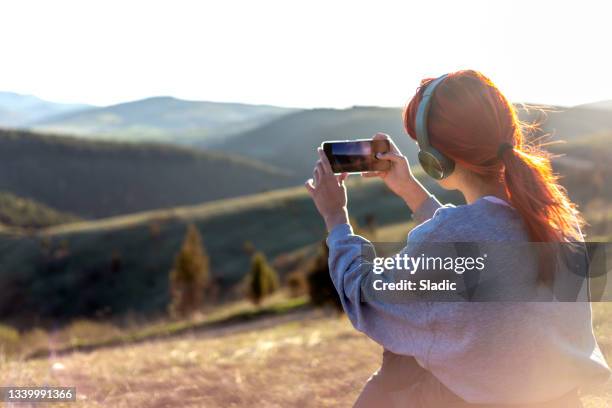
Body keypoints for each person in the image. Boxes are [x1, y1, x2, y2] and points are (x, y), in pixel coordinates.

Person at [304, 70, 610, 407]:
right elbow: (482, 251)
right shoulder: (555, 216)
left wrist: (335, 218)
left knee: (401, 362)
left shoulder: (453, 236)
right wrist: (411, 192)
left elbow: (364, 297)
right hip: (563, 400)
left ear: (434, 160)